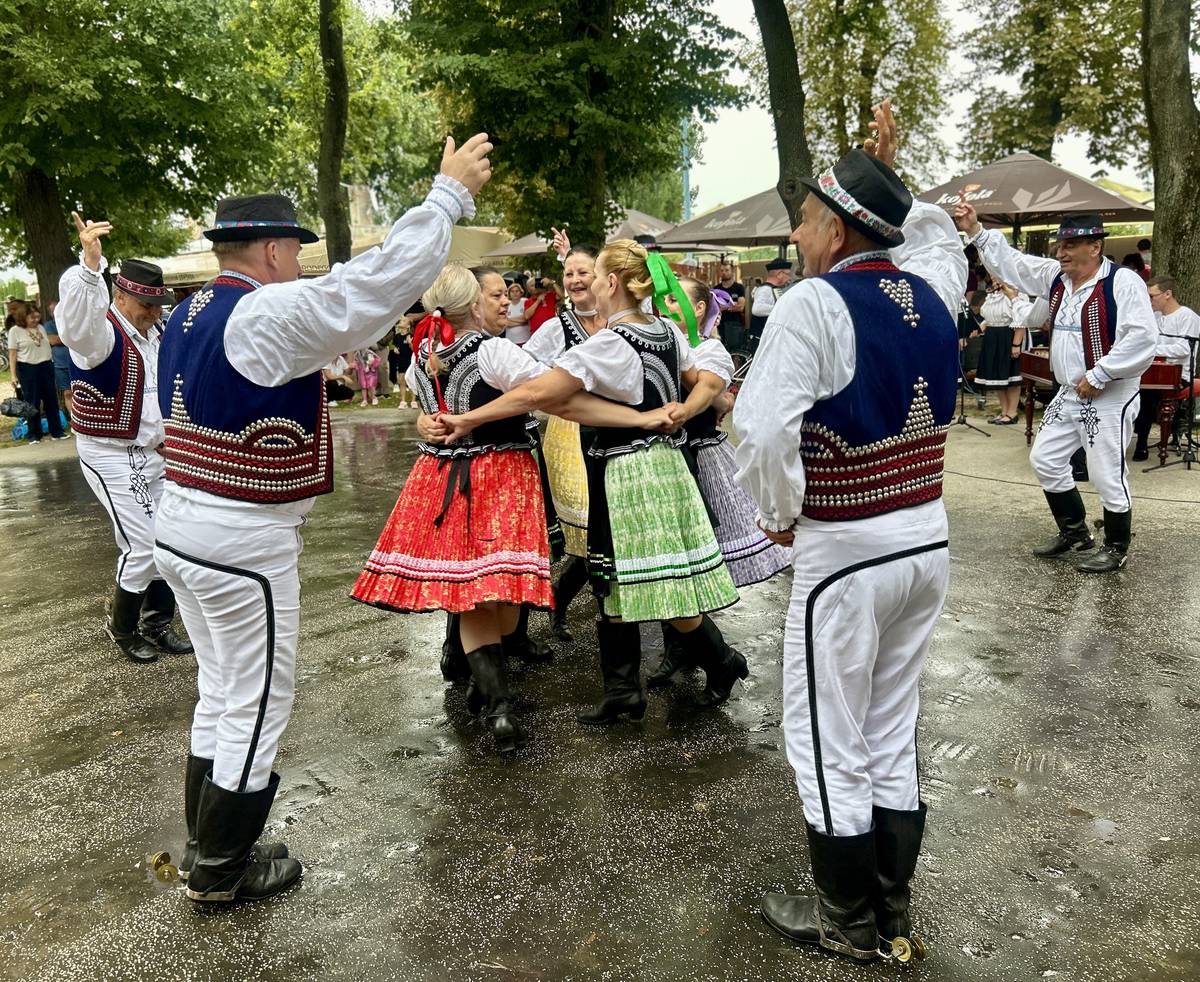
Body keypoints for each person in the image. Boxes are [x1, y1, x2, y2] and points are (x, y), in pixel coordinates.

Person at [151, 134, 494, 905]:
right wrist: (445, 197)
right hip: (240, 534)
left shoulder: (186, 314)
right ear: (271, 250)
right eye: (294, 249)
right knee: (256, 697)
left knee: (220, 689)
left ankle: (211, 841)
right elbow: (364, 291)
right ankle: (222, 870)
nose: (300, 262)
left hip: (182, 521)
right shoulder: (261, 311)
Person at [735, 102, 965, 963]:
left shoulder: (814, 304)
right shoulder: (936, 290)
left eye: (803, 218)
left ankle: (847, 922)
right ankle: (891, 906)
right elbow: (937, 240)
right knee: (891, 719)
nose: (796, 233)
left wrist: (781, 510)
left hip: (851, 544)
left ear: (833, 229)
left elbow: (760, 432)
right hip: (926, 537)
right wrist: (892, 176)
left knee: (828, 727)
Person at [436, 240, 747, 724]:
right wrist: (686, 407)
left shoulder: (610, 342)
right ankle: (627, 688)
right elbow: (707, 378)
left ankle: (717, 662)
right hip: (658, 464)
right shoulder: (664, 330)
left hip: (628, 470)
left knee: (643, 576)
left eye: (593, 274)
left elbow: (541, 393)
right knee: (626, 575)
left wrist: (468, 418)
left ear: (611, 283)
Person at [352, 265, 559, 753]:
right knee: (494, 592)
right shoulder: (493, 350)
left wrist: (428, 419)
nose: (504, 301)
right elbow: (547, 388)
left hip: (440, 478)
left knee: (472, 593)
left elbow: (422, 399)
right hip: (499, 474)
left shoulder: (425, 356)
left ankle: (492, 694)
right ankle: (498, 702)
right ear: (472, 305)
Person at [955, 203, 1157, 573]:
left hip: (1109, 391)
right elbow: (1014, 263)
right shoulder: (1055, 277)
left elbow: (1142, 338)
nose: (1060, 252)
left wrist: (1100, 374)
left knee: (1106, 471)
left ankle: (1116, 546)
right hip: (1069, 390)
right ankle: (1076, 532)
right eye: (1059, 244)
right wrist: (975, 231)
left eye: (1069, 245)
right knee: (1045, 459)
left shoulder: (1122, 282)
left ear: (1094, 247)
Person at [645, 276, 791, 688]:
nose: (664, 305)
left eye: (673, 299)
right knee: (674, 559)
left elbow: (712, 392)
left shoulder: (708, 348)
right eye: (661, 300)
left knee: (695, 560)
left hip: (702, 457)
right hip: (671, 457)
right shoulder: (663, 340)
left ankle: (712, 657)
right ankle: (681, 649)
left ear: (696, 309)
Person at [56, 232, 193, 665]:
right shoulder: (102, 336)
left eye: (158, 303)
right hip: (110, 452)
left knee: (171, 535)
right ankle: (122, 628)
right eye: (146, 303)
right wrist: (89, 268)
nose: (154, 311)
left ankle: (156, 624)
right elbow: (77, 325)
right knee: (146, 542)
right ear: (121, 293)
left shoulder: (157, 331)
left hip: (155, 450)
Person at [1133, 275, 1200, 460]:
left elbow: (1183, 349)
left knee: (1146, 395)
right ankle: (1137, 438)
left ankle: (1142, 444)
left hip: (1179, 374)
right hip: (1156, 372)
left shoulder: (1187, 317)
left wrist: (1151, 350)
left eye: (1152, 296)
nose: (1149, 300)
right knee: (1135, 390)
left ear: (1167, 294)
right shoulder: (1154, 317)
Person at [7, 302, 67, 444]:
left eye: (36, 316)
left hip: (46, 366)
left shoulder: (40, 327)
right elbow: (12, 354)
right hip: (28, 368)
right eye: (31, 317)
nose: (35, 320)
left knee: (51, 400)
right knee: (32, 402)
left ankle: (56, 431)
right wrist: (13, 375)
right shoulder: (15, 331)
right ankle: (34, 434)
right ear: (23, 317)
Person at [974, 280, 1026, 424]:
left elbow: (1021, 321)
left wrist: (1016, 344)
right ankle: (1004, 411)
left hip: (1007, 336)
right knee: (997, 376)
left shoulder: (1015, 293)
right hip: (992, 337)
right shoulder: (992, 295)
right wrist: (976, 330)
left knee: (1011, 376)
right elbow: (988, 319)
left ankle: (1012, 412)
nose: (994, 278)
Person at [749, 259, 792, 348]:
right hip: (760, 339)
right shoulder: (765, 289)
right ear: (780, 274)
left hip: (767, 338)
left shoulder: (774, 289)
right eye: (788, 274)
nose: (789, 278)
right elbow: (756, 309)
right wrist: (781, 308)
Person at [43, 300, 73, 420]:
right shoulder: (49, 325)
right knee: (67, 393)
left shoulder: (71, 322)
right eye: (52, 311)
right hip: (60, 365)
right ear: (51, 313)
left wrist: (62, 338)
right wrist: (68, 338)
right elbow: (52, 340)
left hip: (76, 363)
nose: (56, 312)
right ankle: (74, 419)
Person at [715, 262, 747, 350]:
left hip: (735, 324)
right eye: (722, 270)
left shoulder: (739, 287)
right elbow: (716, 308)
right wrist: (732, 305)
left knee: (735, 351)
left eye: (727, 270)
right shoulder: (716, 289)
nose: (724, 272)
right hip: (719, 324)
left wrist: (723, 306)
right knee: (720, 350)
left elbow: (741, 307)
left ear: (732, 271)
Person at [504, 281, 534, 345]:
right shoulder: (506, 304)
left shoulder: (525, 301)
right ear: (509, 293)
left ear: (521, 292)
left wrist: (509, 320)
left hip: (525, 339)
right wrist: (521, 320)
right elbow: (505, 323)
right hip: (510, 340)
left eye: (517, 291)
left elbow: (526, 318)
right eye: (512, 291)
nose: (515, 293)